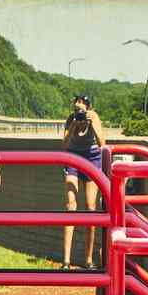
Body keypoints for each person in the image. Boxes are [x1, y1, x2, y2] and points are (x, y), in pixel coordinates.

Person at [61, 93, 106, 268]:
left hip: (92, 159)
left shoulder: (94, 117)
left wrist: (92, 124)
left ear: (88, 108)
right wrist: (73, 126)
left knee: (90, 208)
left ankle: (88, 259)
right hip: (73, 158)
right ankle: (66, 260)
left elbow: (103, 143)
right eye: (76, 107)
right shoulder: (71, 119)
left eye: (82, 107)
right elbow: (63, 145)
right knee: (70, 206)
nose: (79, 110)